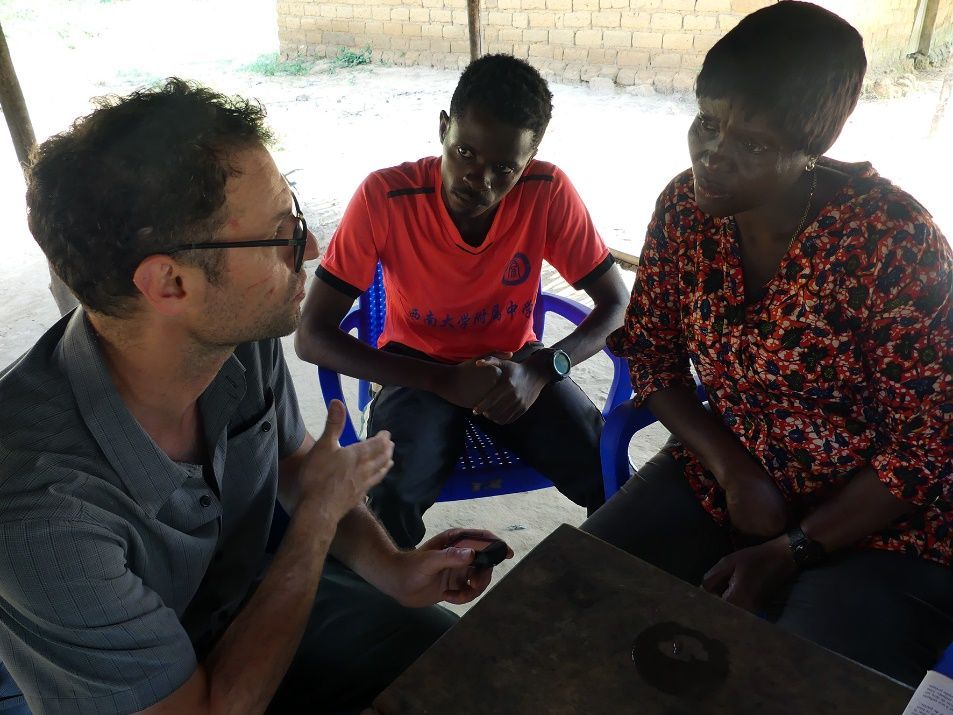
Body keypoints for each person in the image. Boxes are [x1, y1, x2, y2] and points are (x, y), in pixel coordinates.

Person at [0, 79, 511, 715]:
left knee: (463, 670)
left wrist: (394, 568)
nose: (311, 249)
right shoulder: (41, 513)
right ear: (171, 283)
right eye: (281, 234)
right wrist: (317, 520)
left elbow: (295, 467)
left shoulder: (233, 335)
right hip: (123, 691)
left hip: (241, 598)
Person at [583, 1, 953, 687]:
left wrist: (793, 548)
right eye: (707, 122)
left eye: (752, 145)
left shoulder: (894, 244)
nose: (712, 155)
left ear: (813, 145)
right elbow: (653, 355)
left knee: (796, 685)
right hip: (730, 473)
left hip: (884, 522)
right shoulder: (684, 211)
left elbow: (924, 450)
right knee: (576, 598)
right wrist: (733, 471)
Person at [296, 54, 629, 548]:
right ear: (443, 128)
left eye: (505, 168)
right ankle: (399, 589)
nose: (480, 180)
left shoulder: (547, 192)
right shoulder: (385, 197)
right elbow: (310, 335)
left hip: (517, 365)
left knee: (605, 468)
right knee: (392, 496)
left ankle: (608, 577)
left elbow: (617, 305)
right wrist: (442, 380)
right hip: (417, 368)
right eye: (465, 153)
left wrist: (542, 369)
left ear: (529, 160)